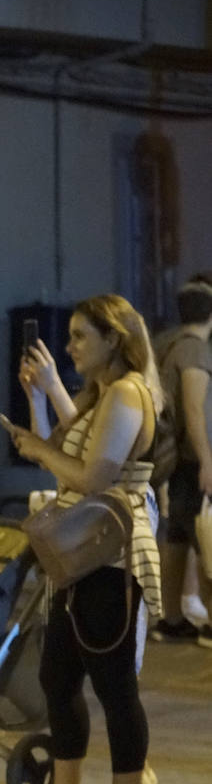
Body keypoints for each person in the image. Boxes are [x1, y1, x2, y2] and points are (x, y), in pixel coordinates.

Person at [4, 294, 161, 784]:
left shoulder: (125, 392)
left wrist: (38, 448)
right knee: (59, 675)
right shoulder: (103, 395)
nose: (68, 348)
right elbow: (72, 451)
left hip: (109, 553)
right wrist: (41, 406)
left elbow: (93, 478)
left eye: (78, 337)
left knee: (115, 685)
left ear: (113, 339)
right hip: (82, 554)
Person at [150, 274, 212, 645]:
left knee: (178, 537)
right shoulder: (194, 351)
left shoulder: (169, 343)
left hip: (181, 463)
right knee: (206, 536)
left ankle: (171, 617)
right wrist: (207, 460)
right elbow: (194, 409)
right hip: (194, 461)